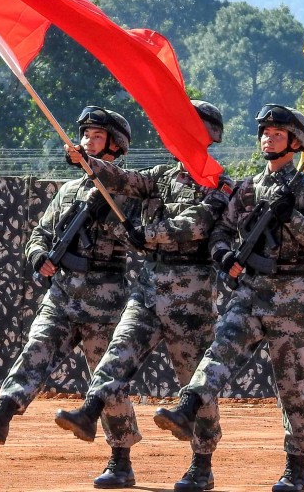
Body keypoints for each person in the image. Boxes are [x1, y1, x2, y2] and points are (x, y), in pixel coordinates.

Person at [152, 104, 304, 492]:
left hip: (290, 296)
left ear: (295, 142)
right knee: (218, 353)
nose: (266, 138)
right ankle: (188, 410)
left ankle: (296, 467)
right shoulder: (249, 188)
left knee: (290, 384)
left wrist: (293, 217)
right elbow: (221, 229)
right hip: (250, 291)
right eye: (264, 132)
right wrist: (224, 255)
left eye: (275, 133)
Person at [53, 100, 233, 492]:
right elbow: (124, 180)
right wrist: (87, 161)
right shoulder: (161, 176)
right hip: (149, 289)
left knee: (193, 384)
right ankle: (108, 443)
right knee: (116, 356)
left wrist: (148, 234)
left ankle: (201, 465)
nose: (173, 136)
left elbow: (197, 224)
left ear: (206, 136)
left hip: (192, 298)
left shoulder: (218, 182)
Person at [0, 105, 143, 489]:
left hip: (104, 301)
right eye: (85, 135)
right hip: (62, 295)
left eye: (96, 137)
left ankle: (120, 459)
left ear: (115, 146)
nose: (85, 142)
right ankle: (2, 414)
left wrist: (107, 209)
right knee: (36, 350)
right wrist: (40, 258)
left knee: (106, 383)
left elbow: (137, 238)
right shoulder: (68, 191)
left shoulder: (125, 194)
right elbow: (40, 235)